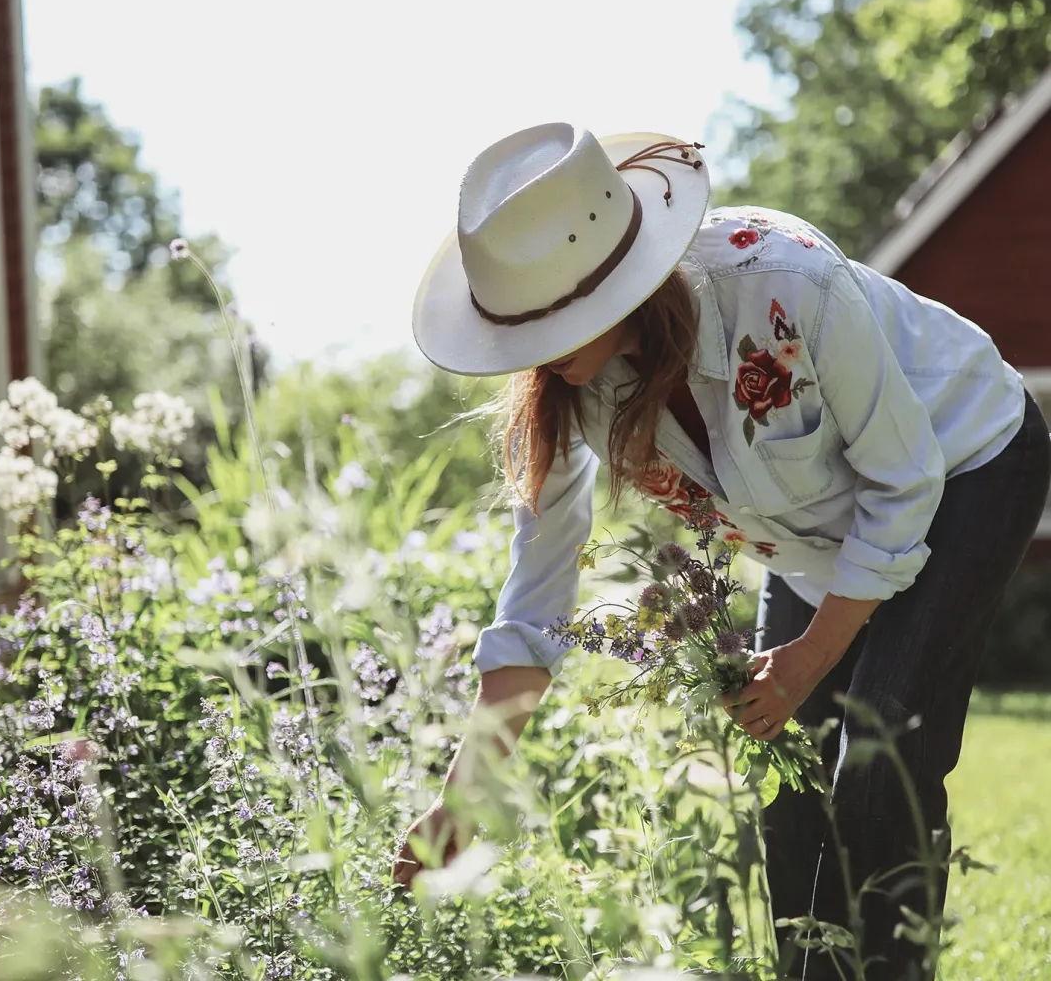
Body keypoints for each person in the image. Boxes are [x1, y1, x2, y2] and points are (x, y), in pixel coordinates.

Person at [392, 122, 1051, 980]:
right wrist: (462, 799)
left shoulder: (782, 283)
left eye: (550, 330)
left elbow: (902, 481)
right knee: (789, 788)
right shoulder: (571, 388)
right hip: (818, 539)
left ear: (617, 287)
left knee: (881, 758)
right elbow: (535, 602)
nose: (538, 361)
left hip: (965, 463)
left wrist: (810, 660)